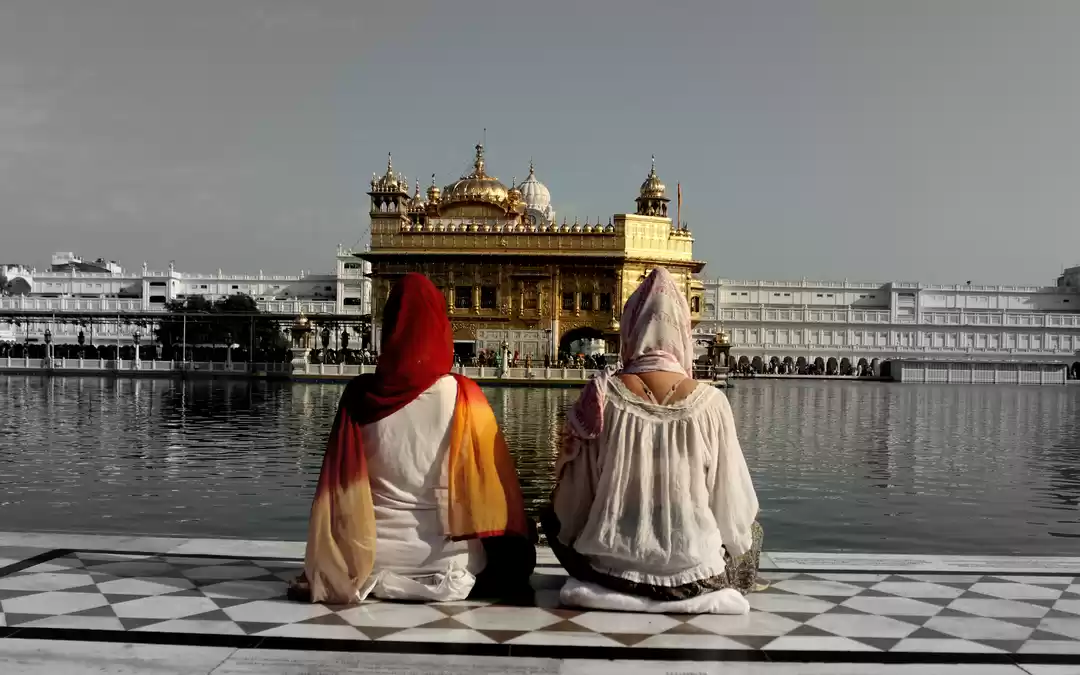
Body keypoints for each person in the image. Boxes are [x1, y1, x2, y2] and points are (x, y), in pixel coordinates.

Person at [290, 273, 536, 605]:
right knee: (522, 543)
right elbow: (496, 492)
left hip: (369, 558)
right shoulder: (464, 394)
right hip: (452, 560)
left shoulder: (360, 396)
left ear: (390, 327)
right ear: (440, 327)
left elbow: (338, 489)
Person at [542, 267, 763, 614]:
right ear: (682, 332)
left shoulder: (601, 397)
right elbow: (733, 507)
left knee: (548, 516)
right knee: (753, 529)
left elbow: (571, 506)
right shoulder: (711, 403)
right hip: (695, 577)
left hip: (608, 573)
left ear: (631, 328)